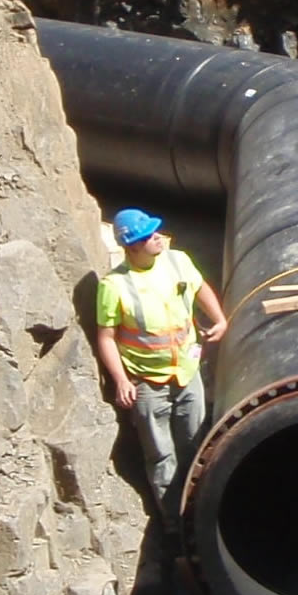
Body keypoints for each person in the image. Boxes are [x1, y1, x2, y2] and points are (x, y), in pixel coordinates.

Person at [92, 209, 228, 502]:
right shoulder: (114, 286)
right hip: (148, 383)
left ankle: (202, 508)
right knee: (161, 457)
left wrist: (219, 319)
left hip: (187, 373)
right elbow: (106, 338)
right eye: (148, 236)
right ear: (132, 246)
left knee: (198, 447)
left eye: (155, 231)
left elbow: (200, 286)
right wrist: (121, 381)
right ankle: (172, 525)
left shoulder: (177, 261)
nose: (157, 237)